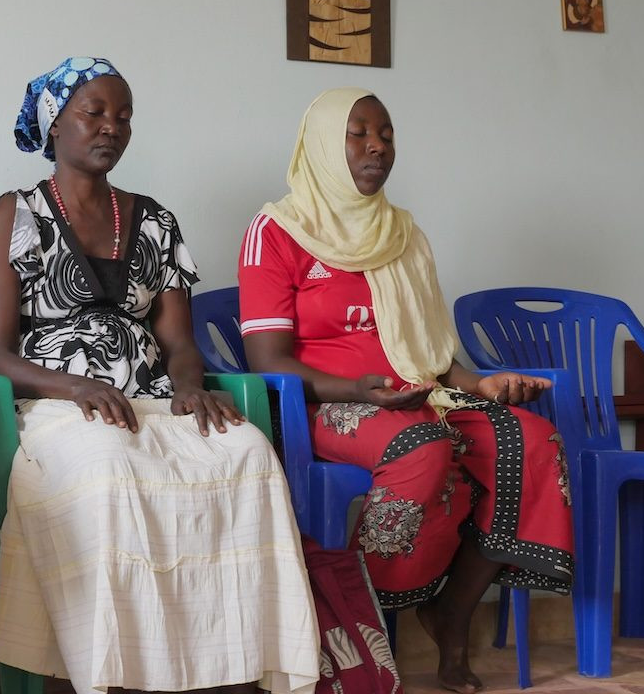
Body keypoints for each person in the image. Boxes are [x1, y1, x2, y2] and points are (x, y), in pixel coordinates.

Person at [0, 57, 320, 694]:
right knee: (109, 469)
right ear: (53, 123)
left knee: (246, 451)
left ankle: (231, 667)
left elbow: (178, 341)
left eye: (124, 116)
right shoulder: (14, 214)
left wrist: (191, 386)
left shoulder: (155, 220)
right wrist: (76, 387)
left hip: (155, 398)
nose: (112, 127)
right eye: (94, 113)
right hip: (56, 404)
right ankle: (118, 672)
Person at [237, 88, 574, 693]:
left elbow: (434, 356)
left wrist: (483, 384)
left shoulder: (403, 233)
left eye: (386, 134)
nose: (377, 146)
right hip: (323, 403)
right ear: (320, 144)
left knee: (532, 441)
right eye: (358, 132)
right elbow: (268, 361)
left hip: (416, 395)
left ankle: (451, 614)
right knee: (421, 447)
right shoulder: (277, 231)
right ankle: (359, 624)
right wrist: (357, 391)